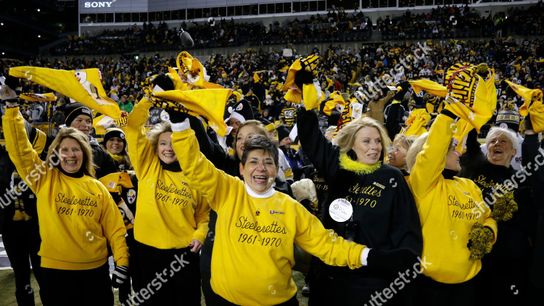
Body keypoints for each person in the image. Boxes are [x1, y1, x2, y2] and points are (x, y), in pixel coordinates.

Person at [171, 119, 417, 306]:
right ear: (242, 168)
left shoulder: (290, 207)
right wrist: (180, 125)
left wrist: (369, 256)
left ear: (276, 168)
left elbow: (327, 245)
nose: (261, 168)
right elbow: (194, 165)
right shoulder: (227, 191)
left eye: (268, 162)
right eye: (254, 161)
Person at [3, 103, 128, 306]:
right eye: (65, 150)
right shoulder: (44, 179)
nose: (71, 155)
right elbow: (21, 151)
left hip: (96, 273)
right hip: (55, 274)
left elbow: (115, 229)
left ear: (85, 153)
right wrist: (11, 108)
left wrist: (122, 262)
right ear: (56, 153)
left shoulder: (97, 187)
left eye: (76, 150)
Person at [297, 108, 422, 306]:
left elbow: (406, 227)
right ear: (351, 145)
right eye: (367, 141)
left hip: (371, 282)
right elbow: (311, 139)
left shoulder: (392, 177)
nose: (375, 146)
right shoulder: (338, 167)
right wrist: (307, 106)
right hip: (330, 276)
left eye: (378, 140)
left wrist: (399, 266)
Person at [405, 107, 498, 306]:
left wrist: (489, 232)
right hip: (429, 286)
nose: (458, 153)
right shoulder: (422, 184)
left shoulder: (468, 185)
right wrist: (448, 114)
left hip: (469, 282)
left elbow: (488, 217)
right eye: (452, 149)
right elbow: (432, 151)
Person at [123, 96, 210, 306]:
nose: (168, 148)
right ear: (155, 145)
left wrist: (200, 235)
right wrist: (147, 100)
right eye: (163, 143)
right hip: (146, 252)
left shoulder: (196, 176)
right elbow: (134, 128)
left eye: (173, 143)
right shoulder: (146, 167)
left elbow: (204, 215)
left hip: (183, 255)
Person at [459, 126, 531, 305]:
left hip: (501, 259)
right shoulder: (475, 167)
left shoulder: (520, 181)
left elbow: (525, 222)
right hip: (464, 250)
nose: (497, 143)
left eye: (503, 141)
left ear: (514, 152)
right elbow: (470, 141)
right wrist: (474, 121)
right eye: (492, 141)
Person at [62, 102, 119, 179]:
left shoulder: (99, 152)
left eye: (88, 121)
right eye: (79, 120)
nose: (85, 125)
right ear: (69, 124)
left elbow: (111, 179)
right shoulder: (55, 146)